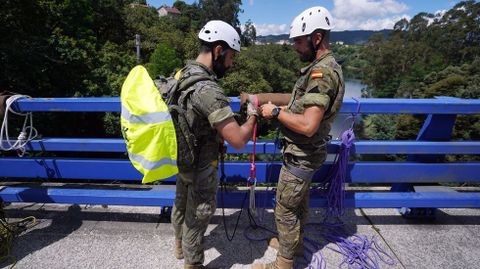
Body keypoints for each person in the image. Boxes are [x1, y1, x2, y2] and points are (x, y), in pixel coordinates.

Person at [250, 6, 345, 269]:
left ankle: (284, 263)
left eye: (299, 41)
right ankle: (294, 244)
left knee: (284, 208)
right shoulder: (324, 67)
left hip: (302, 153)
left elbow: (308, 124)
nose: (294, 47)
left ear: (317, 38)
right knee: (298, 204)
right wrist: (264, 98)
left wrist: (275, 112)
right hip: (308, 153)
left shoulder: (321, 73)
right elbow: (300, 103)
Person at [170, 20, 258, 269]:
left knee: (180, 202)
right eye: (230, 56)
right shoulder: (208, 90)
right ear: (218, 50)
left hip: (182, 158)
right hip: (201, 163)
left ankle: (179, 246)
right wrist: (253, 114)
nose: (230, 64)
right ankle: (193, 263)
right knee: (198, 214)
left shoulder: (182, 74)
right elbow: (238, 139)